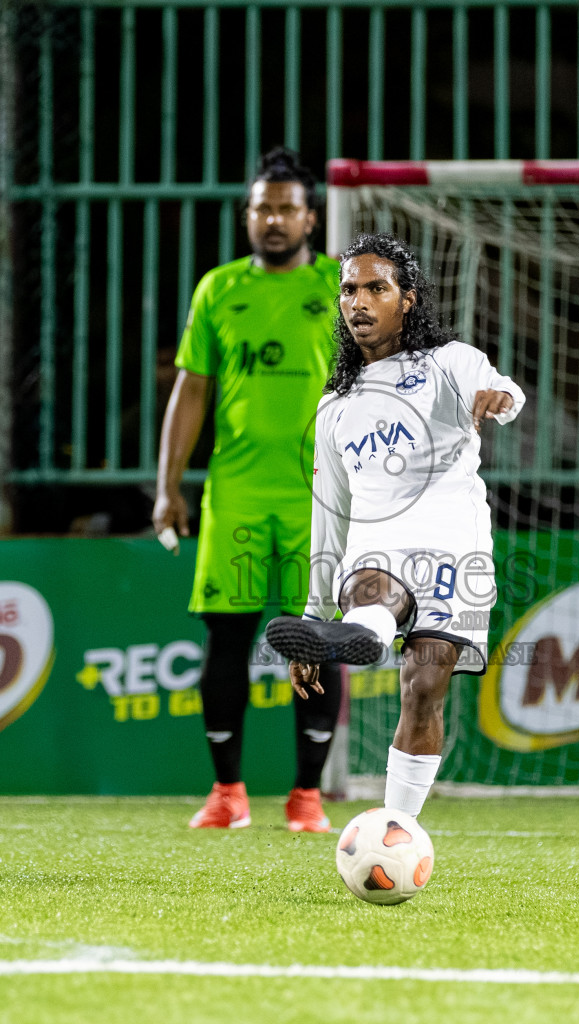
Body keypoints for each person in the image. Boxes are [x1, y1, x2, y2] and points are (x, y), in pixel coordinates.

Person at [264, 234, 525, 820]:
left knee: (423, 688)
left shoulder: (447, 363)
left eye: (375, 289)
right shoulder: (335, 408)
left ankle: (395, 829)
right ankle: (358, 632)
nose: (358, 302)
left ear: (406, 299)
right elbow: (327, 514)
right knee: (375, 588)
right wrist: (312, 616)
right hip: (376, 551)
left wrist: (498, 399)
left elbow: (506, 390)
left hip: (457, 551)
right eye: (349, 290)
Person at [153, 147, 344, 832]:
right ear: (247, 216)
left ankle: (307, 799)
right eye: (262, 207)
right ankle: (227, 793)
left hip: (320, 497)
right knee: (227, 639)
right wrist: (166, 486)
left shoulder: (343, 289)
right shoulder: (217, 290)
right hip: (234, 490)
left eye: (287, 208)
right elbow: (192, 389)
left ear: (311, 218)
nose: (273, 218)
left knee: (315, 640)